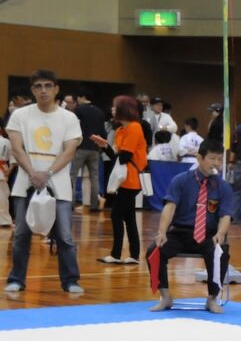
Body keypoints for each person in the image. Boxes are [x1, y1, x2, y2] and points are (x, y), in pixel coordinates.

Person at [4, 70, 84, 294]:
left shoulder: (69, 118)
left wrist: (47, 174)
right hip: (25, 182)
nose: (43, 90)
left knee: (65, 236)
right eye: (38, 86)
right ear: (32, 90)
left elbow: (69, 151)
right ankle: (16, 279)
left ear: (56, 89)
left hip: (59, 185)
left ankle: (71, 280)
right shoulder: (20, 115)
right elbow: (16, 148)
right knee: (21, 234)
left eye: (48, 85)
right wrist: (32, 172)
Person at [148, 141, 233, 313]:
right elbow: (169, 207)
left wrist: (220, 233)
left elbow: (226, 215)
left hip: (208, 235)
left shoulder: (223, 186)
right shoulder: (181, 180)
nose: (217, 163)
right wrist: (162, 232)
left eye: (219, 159)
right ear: (199, 158)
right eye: (212, 158)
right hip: (180, 233)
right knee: (154, 251)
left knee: (221, 252)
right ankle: (165, 297)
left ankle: (212, 299)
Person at [90, 96, 147, 265]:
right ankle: (134, 255)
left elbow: (124, 157)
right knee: (129, 217)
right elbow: (116, 156)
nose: (112, 110)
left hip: (131, 179)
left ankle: (116, 254)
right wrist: (105, 146)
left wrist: (113, 151)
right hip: (124, 179)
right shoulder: (121, 130)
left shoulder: (134, 127)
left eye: (116, 107)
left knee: (116, 215)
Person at [70, 86, 105, 212]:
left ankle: (71, 203)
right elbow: (103, 132)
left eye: (78, 98)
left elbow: (73, 128)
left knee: (73, 175)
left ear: (82, 97)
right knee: (94, 177)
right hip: (95, 148)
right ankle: (94, 205)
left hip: (80, 147)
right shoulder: (99, 112)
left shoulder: (78, 110)